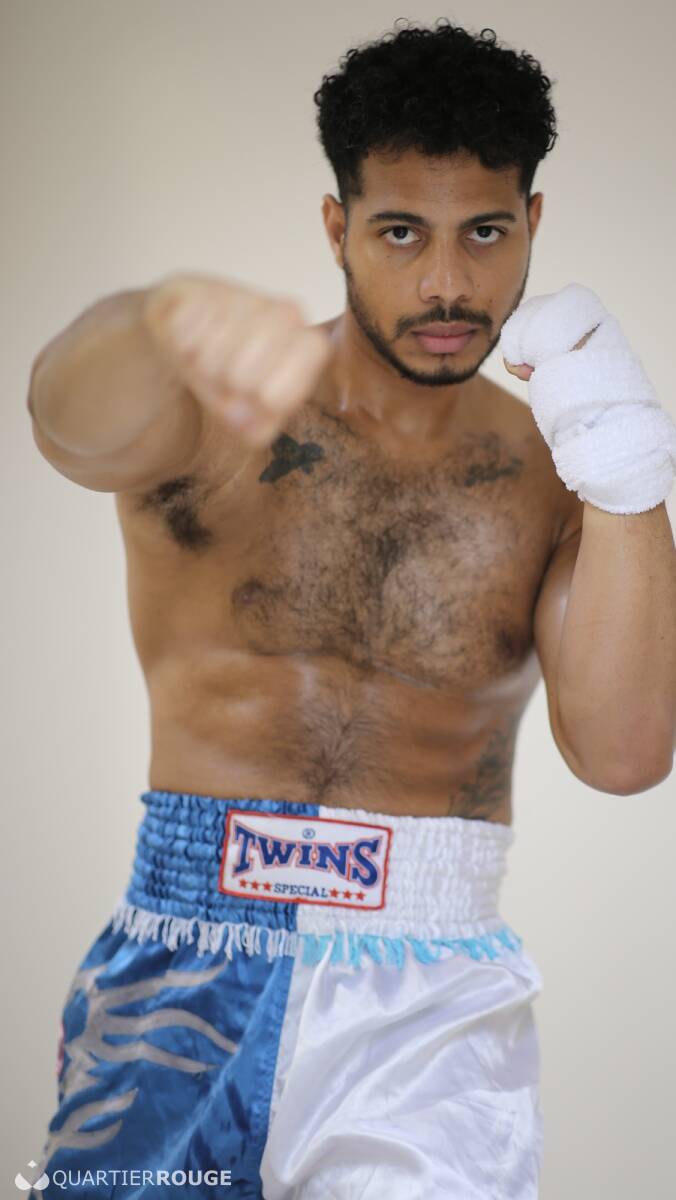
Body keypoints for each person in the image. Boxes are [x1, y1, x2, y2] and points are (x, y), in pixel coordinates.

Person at [26, 17, 675, 1200]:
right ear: (337, 227)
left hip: (431, 1011)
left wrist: (630, 476)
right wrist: (151, 315)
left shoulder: (555, 471)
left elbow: (626, 753)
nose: (446, 283)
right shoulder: (219, 403)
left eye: (485, 232)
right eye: (400, 232)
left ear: (533, 220)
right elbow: (67, 428)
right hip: (183, 968)